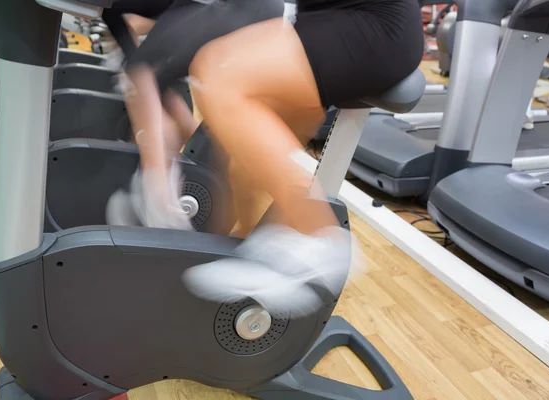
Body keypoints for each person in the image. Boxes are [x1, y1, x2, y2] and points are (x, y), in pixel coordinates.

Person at [113, 0, 425, 317]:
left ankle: (316, 236)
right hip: (327, 21)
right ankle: (234, 264)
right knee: (242, 164)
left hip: (375, 26)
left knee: (221, 71)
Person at [103, 0, 285, 230]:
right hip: (252, 12)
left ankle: (158, 196)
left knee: (142, 71)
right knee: (153, 78)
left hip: (245, 10)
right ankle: (187, 164)